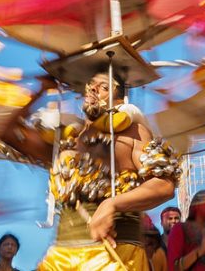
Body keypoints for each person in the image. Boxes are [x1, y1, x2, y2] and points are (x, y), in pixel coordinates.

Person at [37, 71, 179, 270]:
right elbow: (7, 134)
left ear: (120, 98)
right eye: (91, 84)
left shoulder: (133, 133)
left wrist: (111, 204)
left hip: (114, 258)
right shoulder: (69, 140)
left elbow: (164, 185)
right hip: (59, 259)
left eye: (104, 87)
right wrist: (40, 91)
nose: (93, 89)